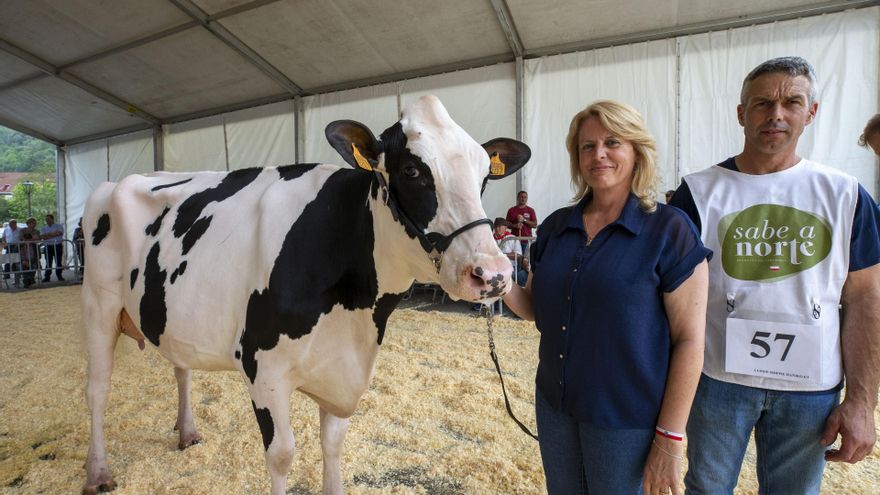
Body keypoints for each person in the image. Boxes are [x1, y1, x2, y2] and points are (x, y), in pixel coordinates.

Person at [670, 57, 880, 494]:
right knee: (706, 488)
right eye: (763, 103)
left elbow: (865, 299)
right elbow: (671, 296)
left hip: (812, 390)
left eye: (792, 102)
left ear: (812, 112)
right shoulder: (698, 192)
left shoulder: (845, 195)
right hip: (716, 382)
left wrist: (862, 401)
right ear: (741, 113)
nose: (776, 114)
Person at [503, 100, 711, 495]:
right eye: (587, 146)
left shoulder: (670, 230)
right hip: (555, 405)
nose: (598, 154)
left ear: (636, 152)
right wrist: (497, 285)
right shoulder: (554, 227)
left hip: (625, 419)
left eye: (612, 142)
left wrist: (670, 437)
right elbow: (533, 308)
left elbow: (690, 340)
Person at [493, 217, 528, 287]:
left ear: (505, 227)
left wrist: (502, 255)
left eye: (500, 226)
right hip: (494, 268)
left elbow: (518, 255)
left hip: (510, 267)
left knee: (515, 276)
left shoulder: (512, 238)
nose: (497, 228)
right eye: (496, 226)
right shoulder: (490, 239)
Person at [506, 190, 538, 254]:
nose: (523, 199)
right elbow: (506, 224)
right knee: (516, 259)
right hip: (515, 240)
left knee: (525, 261)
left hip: (527, 240)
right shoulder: (511, 210)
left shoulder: (530, 210)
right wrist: (515, 225)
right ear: (518, 198)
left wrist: (524, 220)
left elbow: (535, 225)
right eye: (521, 197)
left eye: (525, 197)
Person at [40, 213, 64, 282]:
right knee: (48, 262)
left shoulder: (59, 226)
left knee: (58, 261)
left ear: (52, 219)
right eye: (46, 219)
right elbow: (42, 237)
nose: (47, 220)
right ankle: (47, 277)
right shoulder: (43, 228)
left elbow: (59, 233)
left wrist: (47, 236)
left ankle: (59, 275)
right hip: (48, 246)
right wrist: (53, 234)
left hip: (57, 245)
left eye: (48, 219)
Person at [19, 217, 41, 288]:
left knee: (34, 265)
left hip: (34, 250)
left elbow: (38, 238)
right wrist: (32, 239)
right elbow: (22, 238)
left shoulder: (37, 231)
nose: (34, 224)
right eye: (32, 222)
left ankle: (31, 280)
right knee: (24, 266)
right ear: (28, 223)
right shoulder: (23, 230)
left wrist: (30, 239)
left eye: (35, 223)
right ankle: (26, 281)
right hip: (24, 250)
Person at [2, 219, 22, 286]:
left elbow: (22, 238)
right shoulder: (6, 229)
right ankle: (6, 275)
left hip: (17, 247)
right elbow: (3, 237)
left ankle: (17, 277)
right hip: (9, 246)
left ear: (15, 223)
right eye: (10, 224)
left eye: (12, 223)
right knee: (7, 261)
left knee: (16, 263)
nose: (11, 225)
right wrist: (4, 243)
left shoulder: (20, 230)